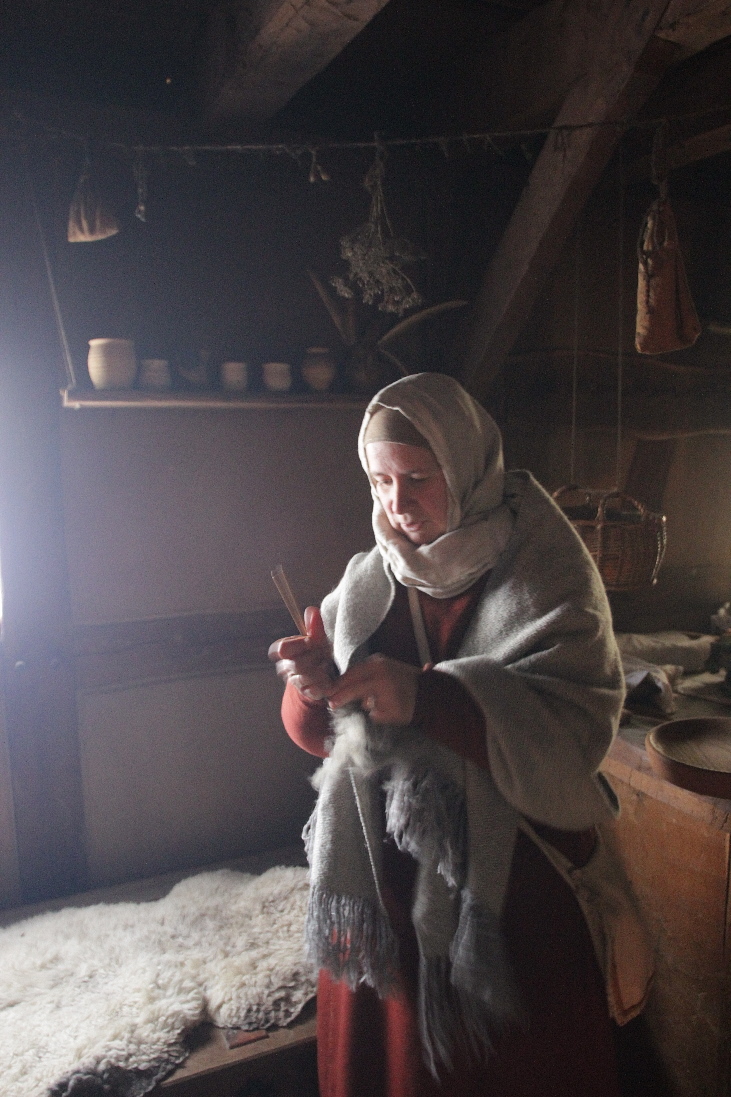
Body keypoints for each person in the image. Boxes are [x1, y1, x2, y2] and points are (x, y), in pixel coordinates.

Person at [269, 372, 652, 1097]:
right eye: (380, 480)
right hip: (386, 895)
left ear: (469, 468)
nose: (396, 503)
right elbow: (324, 742)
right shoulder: (367, 582)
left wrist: (430, 697)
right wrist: (310, 688)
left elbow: (574, 731)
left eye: (418, 478)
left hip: (511, 898)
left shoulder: (547, 574)